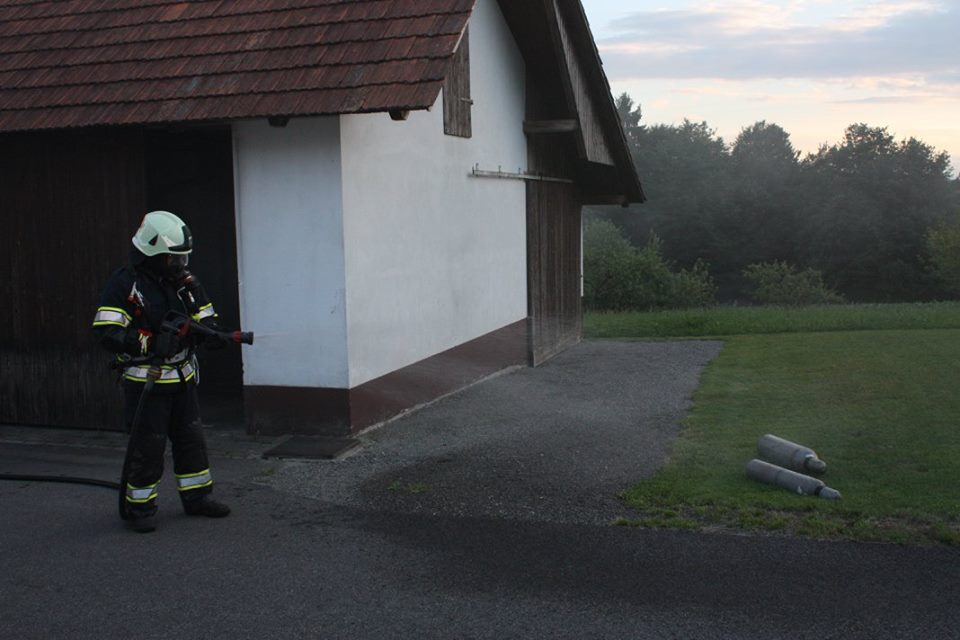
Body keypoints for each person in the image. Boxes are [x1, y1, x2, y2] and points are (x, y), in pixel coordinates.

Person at [92, 210, 230, 533]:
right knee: (148, 447)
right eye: (174, 258)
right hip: (147, 383)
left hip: (183, 379)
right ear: (153, 253)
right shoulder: (125, 284)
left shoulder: (184, 283)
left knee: (192, 441)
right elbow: (107, 332)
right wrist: (150, 343)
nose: (181, 264)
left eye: (183, 257)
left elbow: (204, 315)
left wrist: (213, 333)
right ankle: (140, 508)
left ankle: (197, 497)